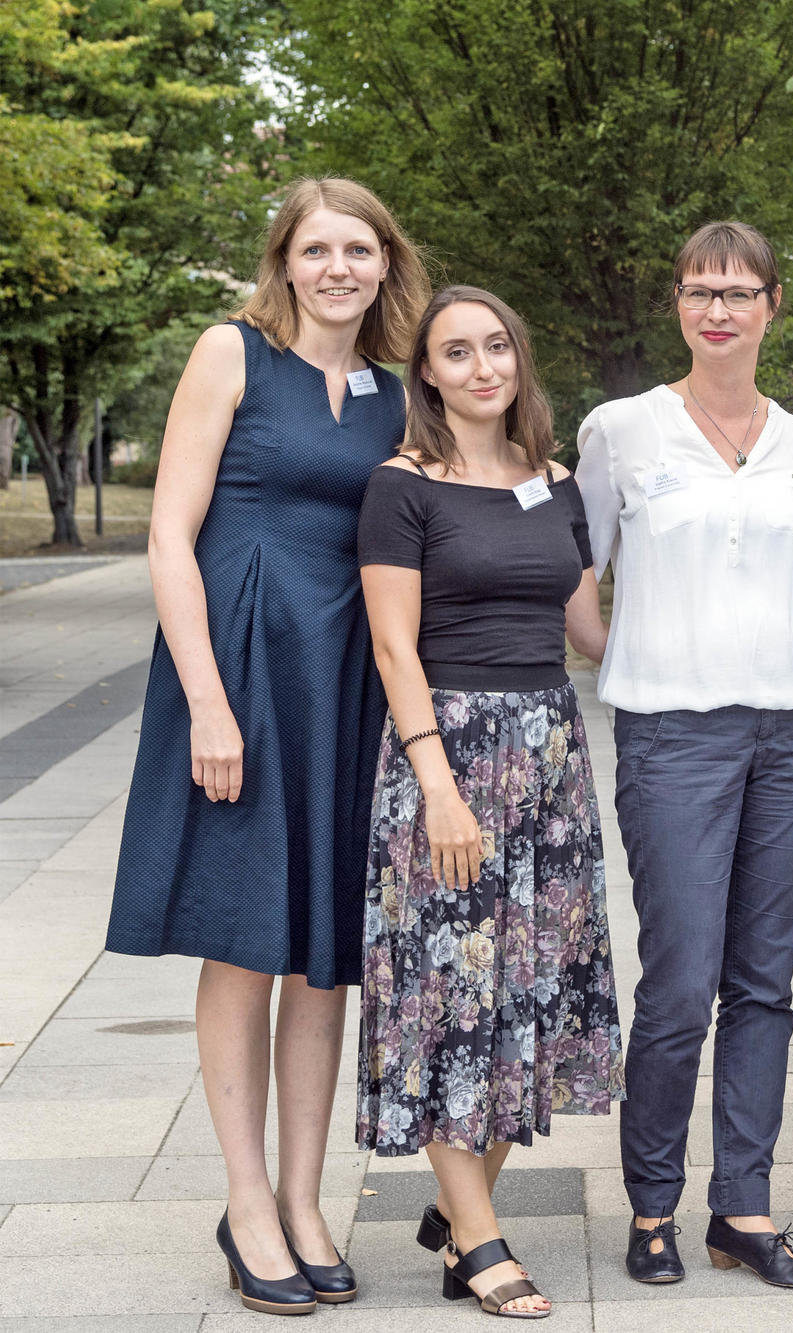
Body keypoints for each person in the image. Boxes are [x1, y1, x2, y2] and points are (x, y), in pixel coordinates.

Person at [104, 176, 428, 1316]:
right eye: (317, 248)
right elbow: (168, 531)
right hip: (241, 662)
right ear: (284, 261)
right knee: (245, 936)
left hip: (346, 679)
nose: (339, 267)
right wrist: (205, 698)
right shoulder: (229, 352)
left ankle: (304, 1196)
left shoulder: (398, 394)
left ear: (387, 264)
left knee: (324, 946)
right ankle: (245, 1200)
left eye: (360, 249)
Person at [575, 221, 793, 1291]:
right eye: (699, 290)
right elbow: (572, 567)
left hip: (792, 734)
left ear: (773, 304)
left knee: (764, 984)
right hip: (673, 735)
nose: (718, 309)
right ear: (677, 305)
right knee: (680, 981)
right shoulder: (623, 429)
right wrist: (625, 656)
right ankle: (653, 1207)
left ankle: (743, 1204)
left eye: (739, 291)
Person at [355, 286, 624, 1319]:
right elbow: (391, 644)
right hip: (451, 754)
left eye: (496, 345)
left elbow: (589, 633)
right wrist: (437, 786)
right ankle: (479, 1238)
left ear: (519, 357)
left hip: (551, 750)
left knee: (537, 993)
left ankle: (462, 1215)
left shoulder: (555, 484)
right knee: (451, 996)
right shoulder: (402, 486)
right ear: (427, 372)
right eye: (456, 352)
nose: (481, 366)